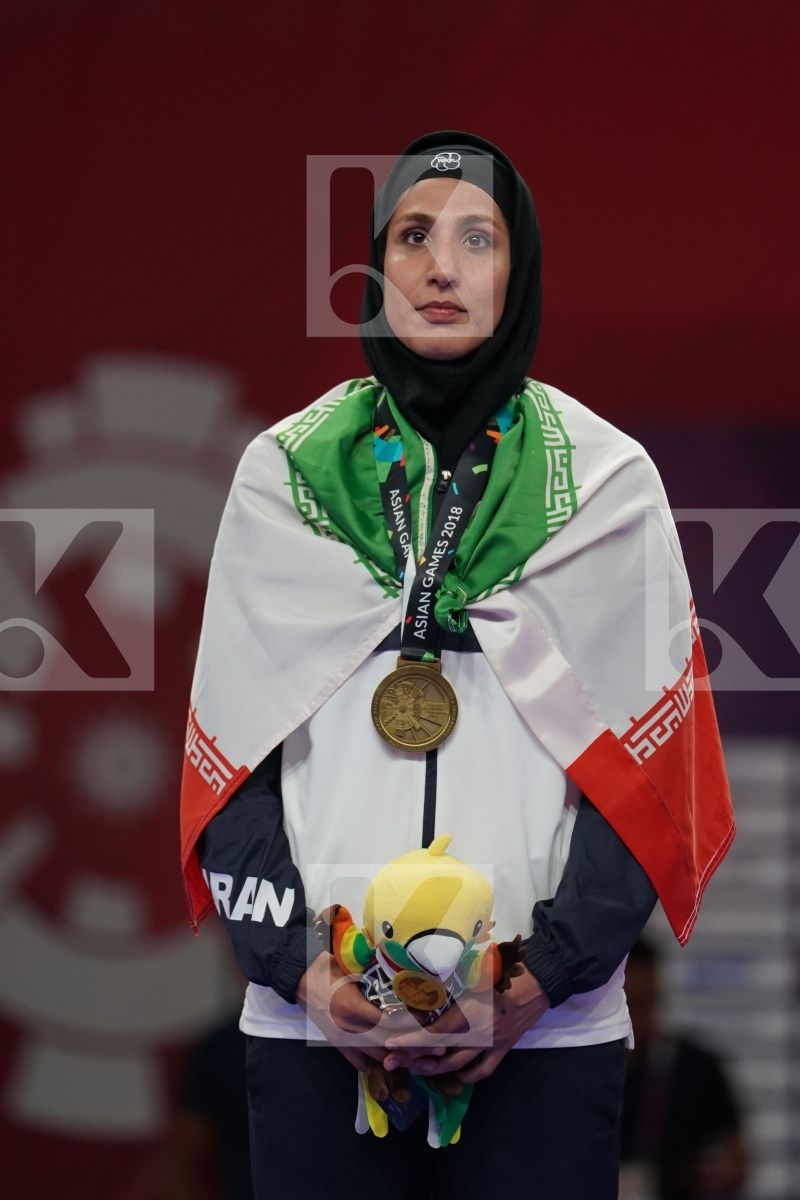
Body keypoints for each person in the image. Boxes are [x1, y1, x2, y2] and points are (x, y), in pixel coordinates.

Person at [179, 131, 734, 1200]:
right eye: (412, 236)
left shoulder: (607, 484)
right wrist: (301, 971)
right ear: (374, 269)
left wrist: (536, 981)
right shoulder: (282, 476)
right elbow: (230, 768)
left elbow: (647, 781)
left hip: (547, 1033)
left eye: (476, 239)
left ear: (517, 270)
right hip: (313, 1031)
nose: (440, 267)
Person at [620, 939, 748, 1200]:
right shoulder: (579, 1077)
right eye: (629, 1006)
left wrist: (710, 1175)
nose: (638, 1020)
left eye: (647, 1004)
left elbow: (737, 1163)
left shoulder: (697, 1068)